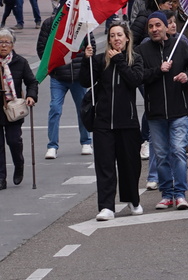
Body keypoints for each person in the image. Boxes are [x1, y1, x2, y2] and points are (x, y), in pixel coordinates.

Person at [135, 11, 188, 210]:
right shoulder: (142, 50)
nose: (155, 29)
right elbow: (138, 76)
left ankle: (180, 193)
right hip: (155, 114)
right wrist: (158, 70)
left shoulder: (180, 45)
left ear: (166, 27)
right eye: (151, 26)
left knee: (179, 152)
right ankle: (167, 194)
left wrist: (186, 75)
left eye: (158, 25)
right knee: (162, 155)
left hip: (179, 110)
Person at [83, 23, 144, 220]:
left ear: (127, 38)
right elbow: (86, 81)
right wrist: (87, 60)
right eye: (112, 35)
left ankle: (133, 200)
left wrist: (119, 60)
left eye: (120, 35)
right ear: (108, 39)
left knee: (129, 165)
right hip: (103, 123)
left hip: (128, 122)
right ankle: (106, 206)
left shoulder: (135, 58)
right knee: (105, 166)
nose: (116, 38)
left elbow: (134, 80)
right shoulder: (101, 60)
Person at [36, 15, 92, 159]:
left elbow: (91, 46)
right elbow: (41, 48)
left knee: (83, 109)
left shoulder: (82, 22)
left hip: (78, 76)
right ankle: (52, 145)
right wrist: (52, 66)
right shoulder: (50, 23)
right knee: (55, 108)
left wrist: (86, 61)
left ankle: (86, 141)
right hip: (58, 76)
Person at [0, 28, 36, 189]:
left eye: (7, 42)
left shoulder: (20, 62)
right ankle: (1, 178)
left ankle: (19, 164)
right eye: (0, 42)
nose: (3, 45)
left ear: (12, 45)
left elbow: (31, 82)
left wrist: (31, 96)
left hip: (13, 109)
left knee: (14, 141)